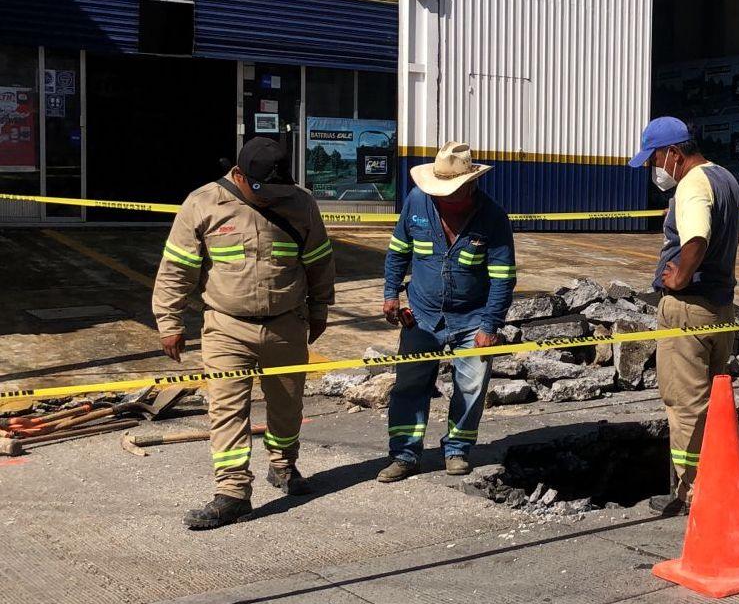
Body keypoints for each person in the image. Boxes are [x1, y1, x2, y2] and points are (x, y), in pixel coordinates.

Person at [153, 137, 335, 530]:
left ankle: (284, 466)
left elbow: (319, 261)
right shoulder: (202, 203)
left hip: (287, 323)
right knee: (226, 409)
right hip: (226, 327)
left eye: (277, 190)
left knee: (287, 407)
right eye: (261, 190)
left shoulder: (301, 203)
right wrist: (169, 322)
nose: (270, 198)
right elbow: (176, 268)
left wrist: (320, 310)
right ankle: (232, 492)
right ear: (239, 175)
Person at [377, 141, 516, 481]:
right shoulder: (416, 202)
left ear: (469, 186)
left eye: (448, 191)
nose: (439, 196)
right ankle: (405, 455)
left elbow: (503, 278)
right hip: (422, 314)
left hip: (473, 318)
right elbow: (398, 252)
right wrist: (391, 293)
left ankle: (457, 450)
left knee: (471, 387)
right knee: (409, 385)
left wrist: (490, 325)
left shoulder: (493, 217)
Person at [629, 117, 739, 517]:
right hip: (720, 308)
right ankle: (714, 477)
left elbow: (696, 236)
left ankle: (689, 492)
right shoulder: (724, 177)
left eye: (654, 159)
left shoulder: (692, 184)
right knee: (711, 401)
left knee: (684, 404)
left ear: (674, 153)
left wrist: (678, 275)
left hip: (689, 309)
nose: (652, 169)